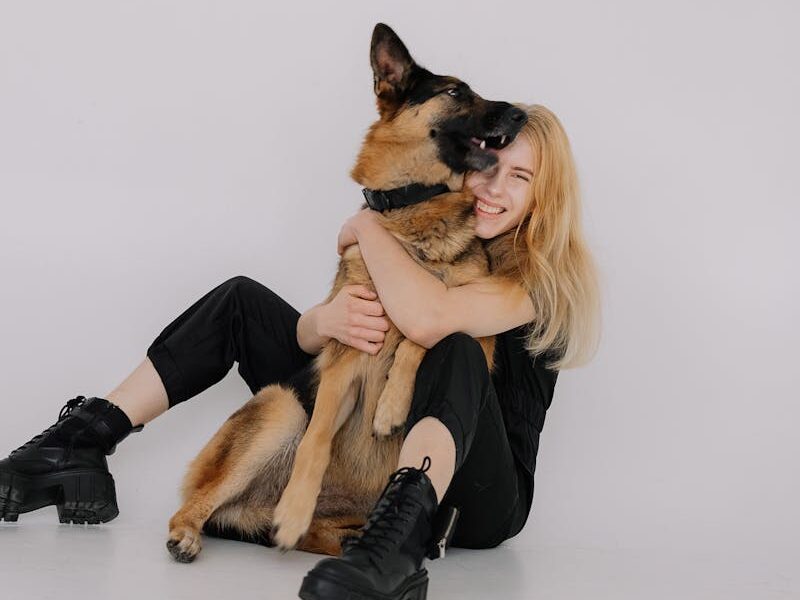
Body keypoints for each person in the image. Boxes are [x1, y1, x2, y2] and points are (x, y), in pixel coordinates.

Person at [0, 103, 600, 600]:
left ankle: (396, 547)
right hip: (376, 432)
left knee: (456, 349)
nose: (493, 188)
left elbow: (427, 320)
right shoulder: (441, 227)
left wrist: (369, 222)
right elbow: (336, 343)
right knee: (241, 300)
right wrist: (322, 320)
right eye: (487, 166)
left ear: (545, 196)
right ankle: (81, 443)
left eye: (519, 177)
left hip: (478, 494)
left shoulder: (536, 280)